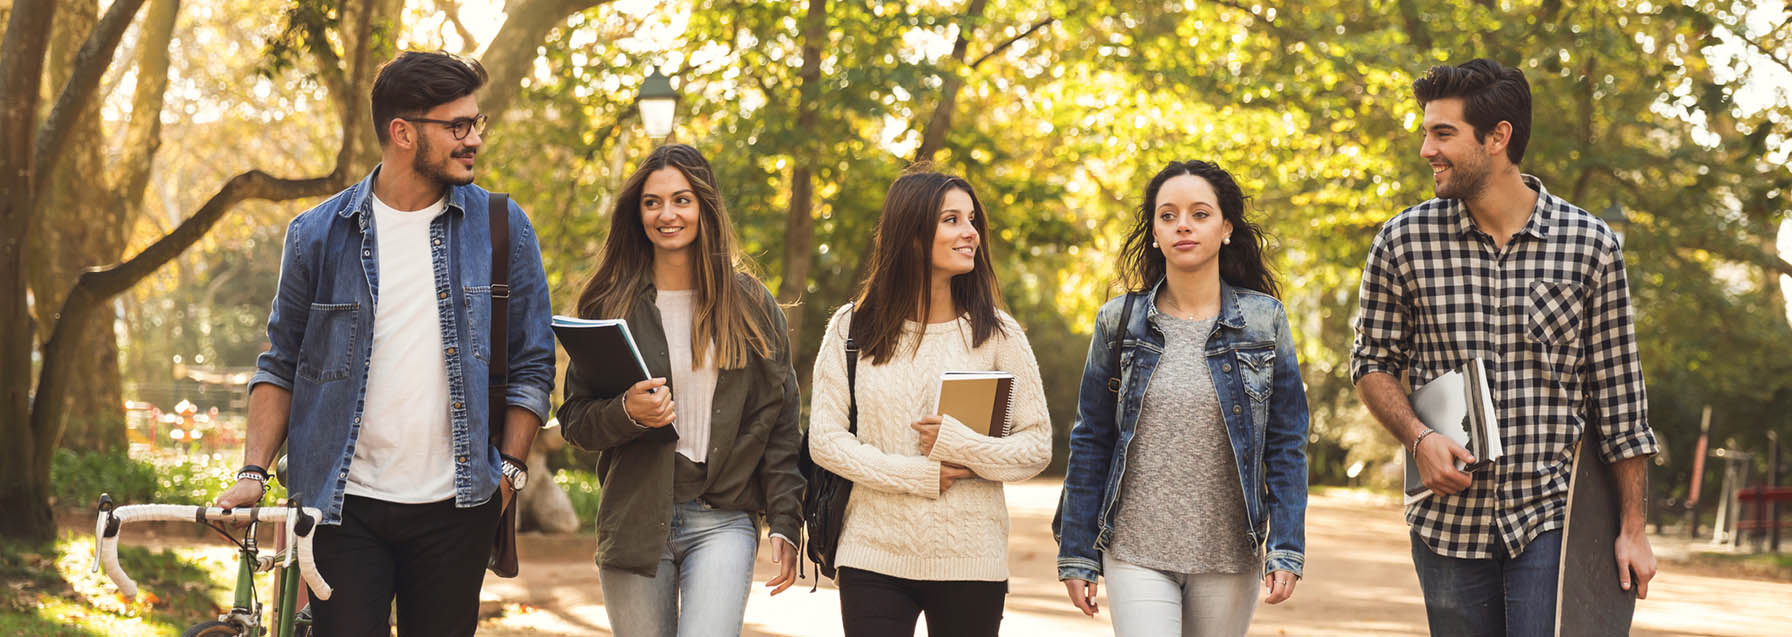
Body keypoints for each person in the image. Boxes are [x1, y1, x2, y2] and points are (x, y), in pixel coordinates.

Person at [214, 50, 556, 635]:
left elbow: (532, 364)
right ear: (402, 132)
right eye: (457, 126)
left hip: (460, 511)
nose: (473, 139)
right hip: (342, 510)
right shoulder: (317, 235)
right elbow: (281, 365)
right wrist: (253, 471)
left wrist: (510, 475)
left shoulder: (502, 227)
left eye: (477, 123)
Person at [1350, 58, 1660, 636]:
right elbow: (1371, 362)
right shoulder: (1402, 241)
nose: (1426, 150)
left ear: (1498, 137)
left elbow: (1621, 399)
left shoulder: (1589, 245)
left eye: (1443, 133)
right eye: (1426, 131)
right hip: (1447, 525)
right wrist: (1419, 439)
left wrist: (1633, 528)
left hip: (1552, 519)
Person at [557, 143, 804, 637]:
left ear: (705, 206)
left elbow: (781, 422)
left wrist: (784, 520)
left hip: (723, 519)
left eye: (681, 200)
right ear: (638, 212)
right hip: (633, 519)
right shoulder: (609, 302)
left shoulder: (751, 305)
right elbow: (576, 421)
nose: (666, 214)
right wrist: (627, 412)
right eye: (652, 202)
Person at [1054, 160, 1310, 636]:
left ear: (1226, 227)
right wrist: (1077, 552)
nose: (1183, 225)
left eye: (1199, 213)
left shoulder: (1264, 321)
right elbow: (1091, 439)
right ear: (1154, 232)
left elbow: (1286, 443)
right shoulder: (1119, 322)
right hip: (1134, 547)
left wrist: (1287, 546)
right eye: (1167, 216)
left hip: (1230, 552)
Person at [805, 169, 1052, 637]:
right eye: (952, 220)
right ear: (912, 235)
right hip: (871, 552)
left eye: (972, 219)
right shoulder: (850, 328)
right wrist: (918, 475)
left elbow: (1036, 447)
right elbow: (826, 441)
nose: (970, 233)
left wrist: (962, 443)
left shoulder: (999, 335)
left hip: (970, 558)